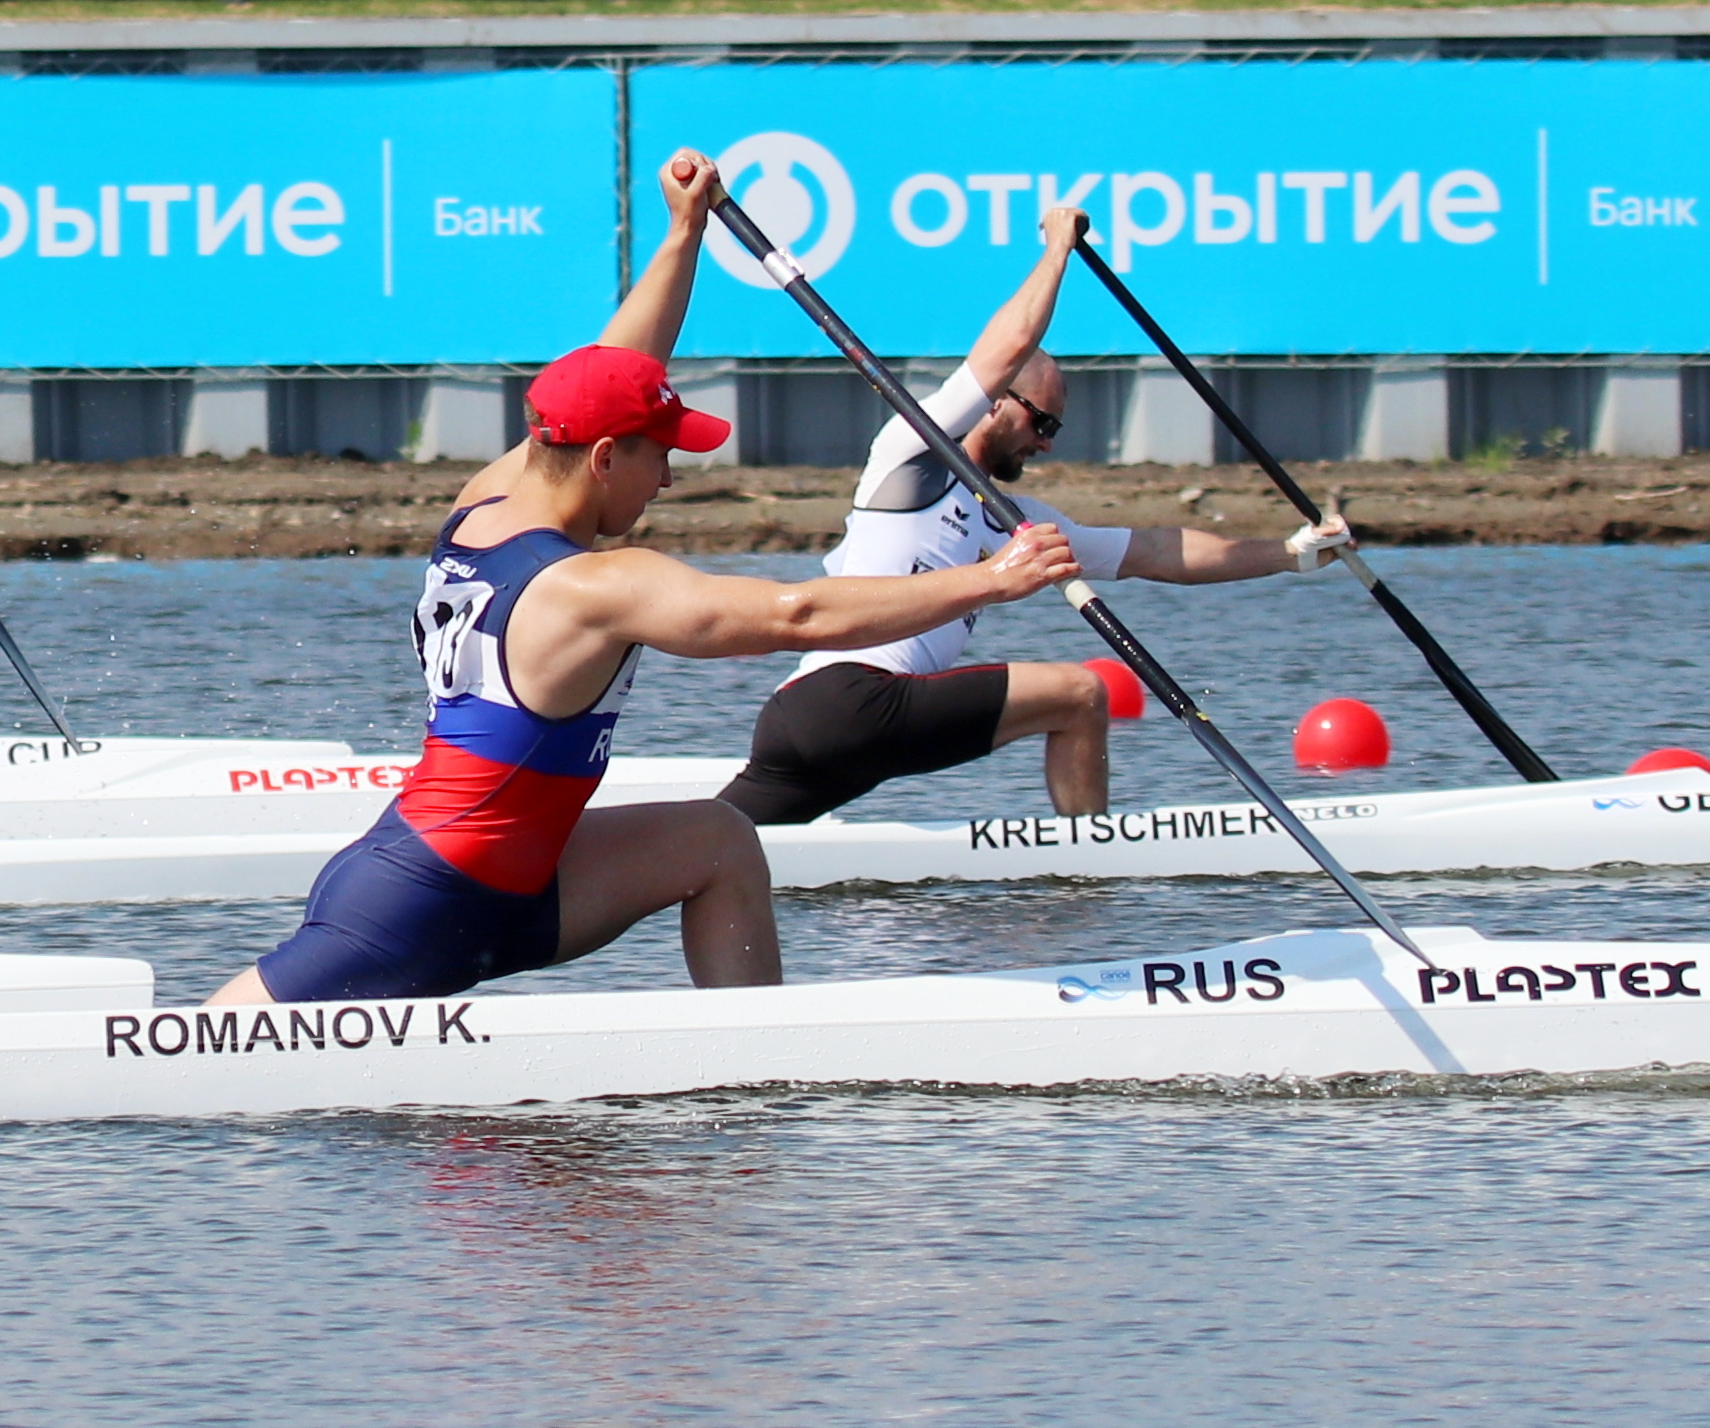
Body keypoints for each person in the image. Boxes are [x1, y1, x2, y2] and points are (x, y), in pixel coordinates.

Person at [208, 194, 1078, 1012]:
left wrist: (684, 229)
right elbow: (796, 618)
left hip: (523, 882)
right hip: (421, 899)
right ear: (602, 460)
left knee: (718, 842)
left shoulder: (490, 497)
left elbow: (618, 368)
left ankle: (763, 1081)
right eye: (658, 454)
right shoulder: (593, 587)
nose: (668, 475)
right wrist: (992, 581)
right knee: (214, 1060)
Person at [718, 200, 1352, 827]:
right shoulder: (910, 457)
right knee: (1080, 696)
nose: (1046, 441)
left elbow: (1160, 553)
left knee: (708, 849)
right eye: (1040, 421)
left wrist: (1291, 555)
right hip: (848, 700)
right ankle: (1086, 878)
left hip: (806, 722)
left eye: (1056, 428)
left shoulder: (1019, 523)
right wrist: (1057, 249)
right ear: (995, 403)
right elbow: (1009, 346)